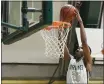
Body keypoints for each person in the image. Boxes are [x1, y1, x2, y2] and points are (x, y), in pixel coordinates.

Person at [63, 6, 92, 84]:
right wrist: (62, 27)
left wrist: (80, 21)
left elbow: (84, 42)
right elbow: (62, 45)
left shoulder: (87, 62)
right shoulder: (71, 59)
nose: (79, 48)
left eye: (82, 48)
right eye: (79, 47)